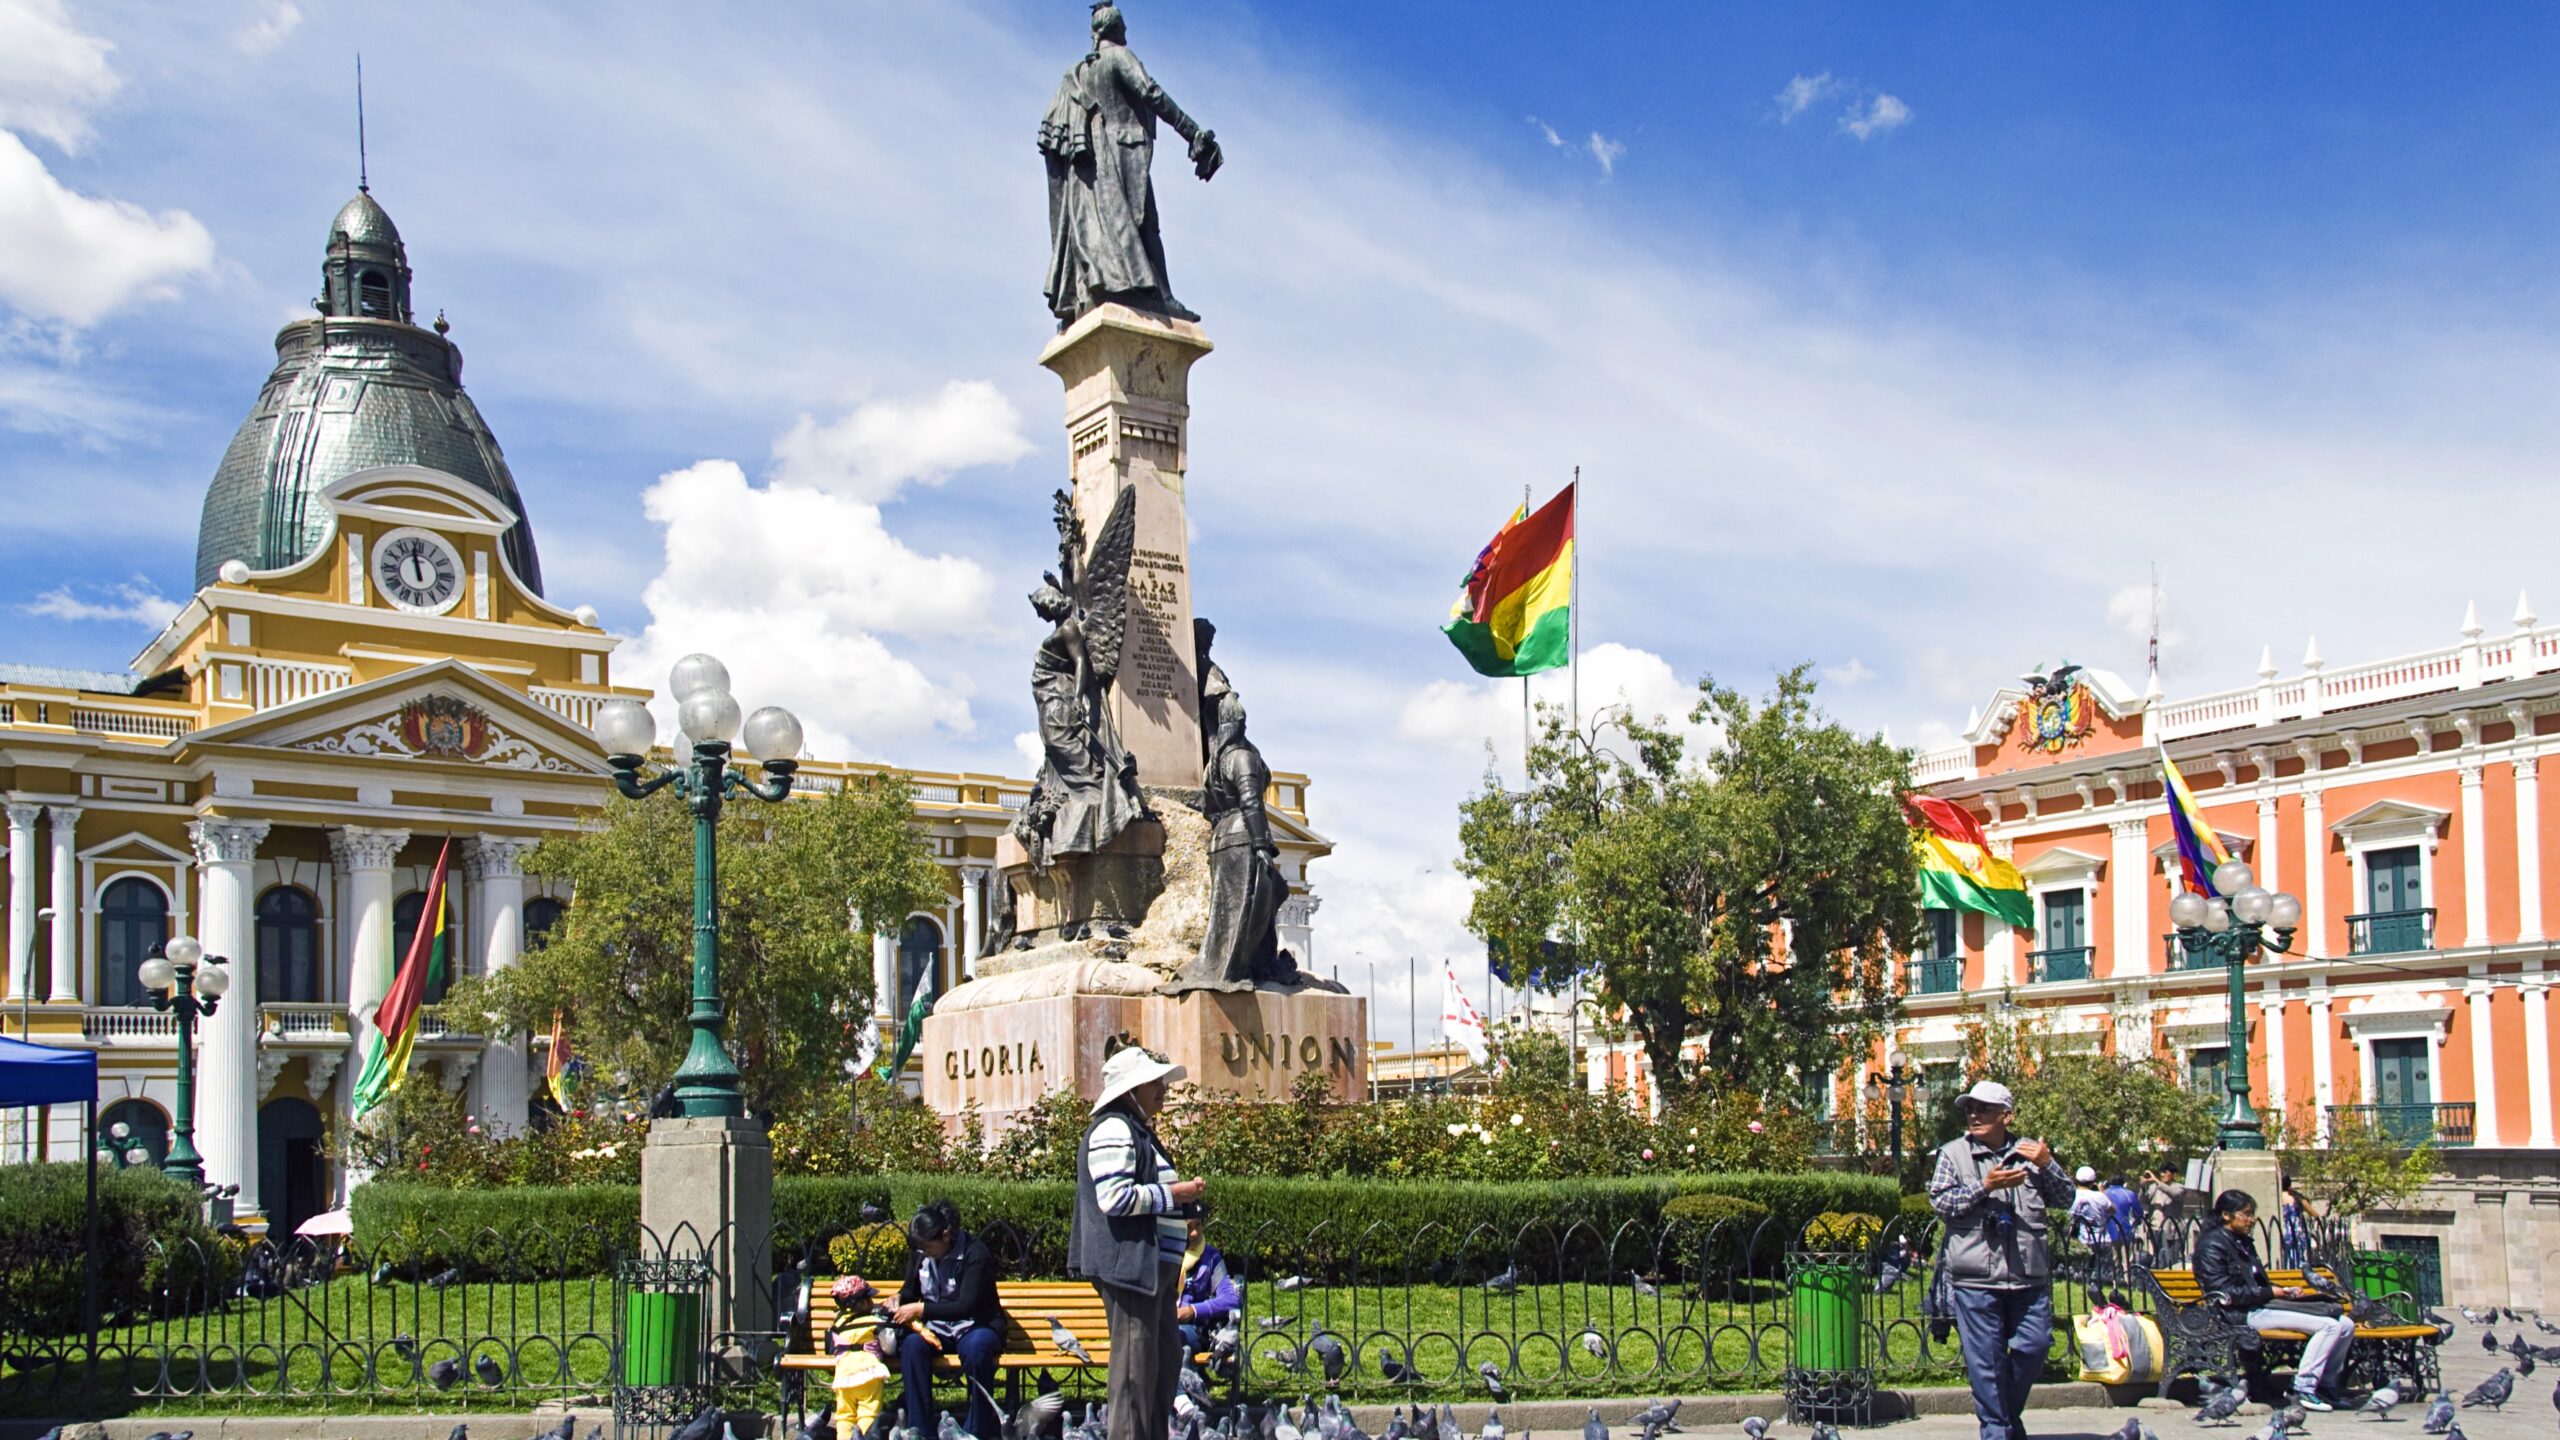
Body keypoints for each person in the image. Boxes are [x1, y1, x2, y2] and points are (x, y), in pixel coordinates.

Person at [1929, 1079, 2075, 1440]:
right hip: (1976, 1277)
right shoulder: (1953, 1154)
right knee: (1987, 1363)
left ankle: (2005, 1416)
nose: (1974, 1115)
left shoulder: (2032, 1154)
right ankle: (1997, 1431)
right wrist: (1986, 1187)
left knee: (2035, 1346)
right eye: (1969, 1109)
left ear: (2006, 1116)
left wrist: (2049, 1164)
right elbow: (1942, 1204)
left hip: (2028, 1276)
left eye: (1984, 1109)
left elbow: (2066, 1198)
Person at [1071, 1046, 1204, 1440]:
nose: (1163, 1088)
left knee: (1159, 1372)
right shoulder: (1113, 1128)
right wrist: (1175, 1195)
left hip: (1152, 1275)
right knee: (1133, 1377)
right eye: (1154, 1083)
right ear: (1131, 1090)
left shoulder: (1136, 1129)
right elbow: (1114, 1198)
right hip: (1130, 1272)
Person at [2192, 1189, 2357, 1410]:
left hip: (2261, 1306)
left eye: (2252, 1214)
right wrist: (2270, 1293)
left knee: (2345, 1324)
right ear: (2226, 1215)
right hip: (2238, 1314)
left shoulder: (2242, 1242)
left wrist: (2282, 1290)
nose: (2251, 1220)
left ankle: (2325, 1386)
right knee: (2328, 1327)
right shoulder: (2212, 1245)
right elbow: (2224, 1293)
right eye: (2246, 1214)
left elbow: (2258, 1284)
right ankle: (2303, 1389)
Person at [893, 1198, 1007, 1440]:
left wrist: (921, 1309)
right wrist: (898, 1299)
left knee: (977, 1350)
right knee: (912, 1346)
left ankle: (976, 1431)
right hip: (937, 1328)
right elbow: (909, 1291)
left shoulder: (976, 1254)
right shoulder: (920, 1254)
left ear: (945, 1235)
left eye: (927, 1247)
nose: (924, 1252)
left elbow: (966, 1306)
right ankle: (918, 1431)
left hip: (975, 1324)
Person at [1175, 1210, 1240, 1359]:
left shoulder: (1211, 1257)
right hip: (1163, 1325)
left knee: (1174, 1338)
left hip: (1195, 1330)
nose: (1195, 1233)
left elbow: (1231, 1299)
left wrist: (1192, 1311)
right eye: (1188, 1227)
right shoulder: (1164, 1254)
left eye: (1198, 1225)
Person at [2143, 1165, 2191, 1264]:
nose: (2162, 1175)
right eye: (2161, 1172)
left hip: (2171, 1228)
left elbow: (2175, 1194)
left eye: (2165, 1172)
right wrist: (2143, 1187)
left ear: (2173, 1175)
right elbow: (2143, 1200)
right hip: (2155, 1226)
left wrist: (2157, 1181)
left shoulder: (2179, 1187)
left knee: (2171, 1258)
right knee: (2158, 1257)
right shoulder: (2154, 1187)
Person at [2278, 1174, 2315, 1270]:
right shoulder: (2296, 1198)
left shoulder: (2276, 1198)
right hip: (2295, 1231)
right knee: (2297, 1259)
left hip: (2281, 1231)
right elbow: (2314, 1214)